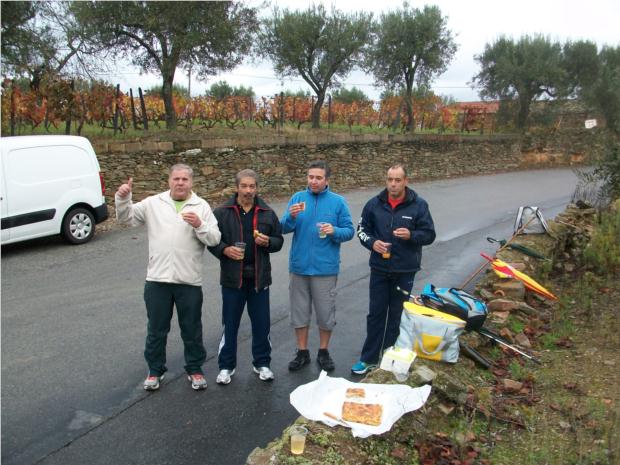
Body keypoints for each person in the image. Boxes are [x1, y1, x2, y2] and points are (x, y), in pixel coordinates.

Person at [115, 164, 221, 391]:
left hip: (188, 281)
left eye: (184, 179)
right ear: (169, 180)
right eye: (176, 178)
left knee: (191, 329)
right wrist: (123, 198)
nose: (180, 183)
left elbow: (214, 238)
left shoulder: (201, 206)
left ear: (191, 182)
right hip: (157, 280)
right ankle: (155, 370)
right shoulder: (154, 203)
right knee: (156, 329)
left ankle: (195, 369)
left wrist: (200, 225)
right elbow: (126, 218)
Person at [352, 164, 436, 375]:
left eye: (398, 180)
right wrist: (373, 243)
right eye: (390, 179)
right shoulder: (374, 204)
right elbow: (361, 230)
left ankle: (389, 357)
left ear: (406, 181)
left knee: (397, 315)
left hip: (405, 269)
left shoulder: (419, 205)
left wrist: (411, 235)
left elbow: (429, 234)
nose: (393, 184)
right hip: (379, 268)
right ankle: (368, 359)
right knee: (376, 314)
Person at [207, 169, 283, 385]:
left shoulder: (267, 212)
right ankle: (226, 367)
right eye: (244, 186)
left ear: (257, 188)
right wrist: (224, 250)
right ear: (237, 187)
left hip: (259, 279)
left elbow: (278, 240)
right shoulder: (222, 212)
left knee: (262, 325)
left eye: (252, 186)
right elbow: (211, 241)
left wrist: (268, 242)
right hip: (233, 279)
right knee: (230, 325)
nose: (248, 190)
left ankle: (262, 364)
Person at [281, 160, 355, 372]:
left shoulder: (338, 202)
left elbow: (349, 231)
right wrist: (291, 216)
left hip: (325, 269)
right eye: (310, 177)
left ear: (327, 180)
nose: (313, 181)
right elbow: (282, 228)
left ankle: (323, 351)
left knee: (325, 313)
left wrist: (334, 231)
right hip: (299, 267)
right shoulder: (297, 198)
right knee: (299, 313)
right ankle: (302, 352)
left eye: (318, 178)